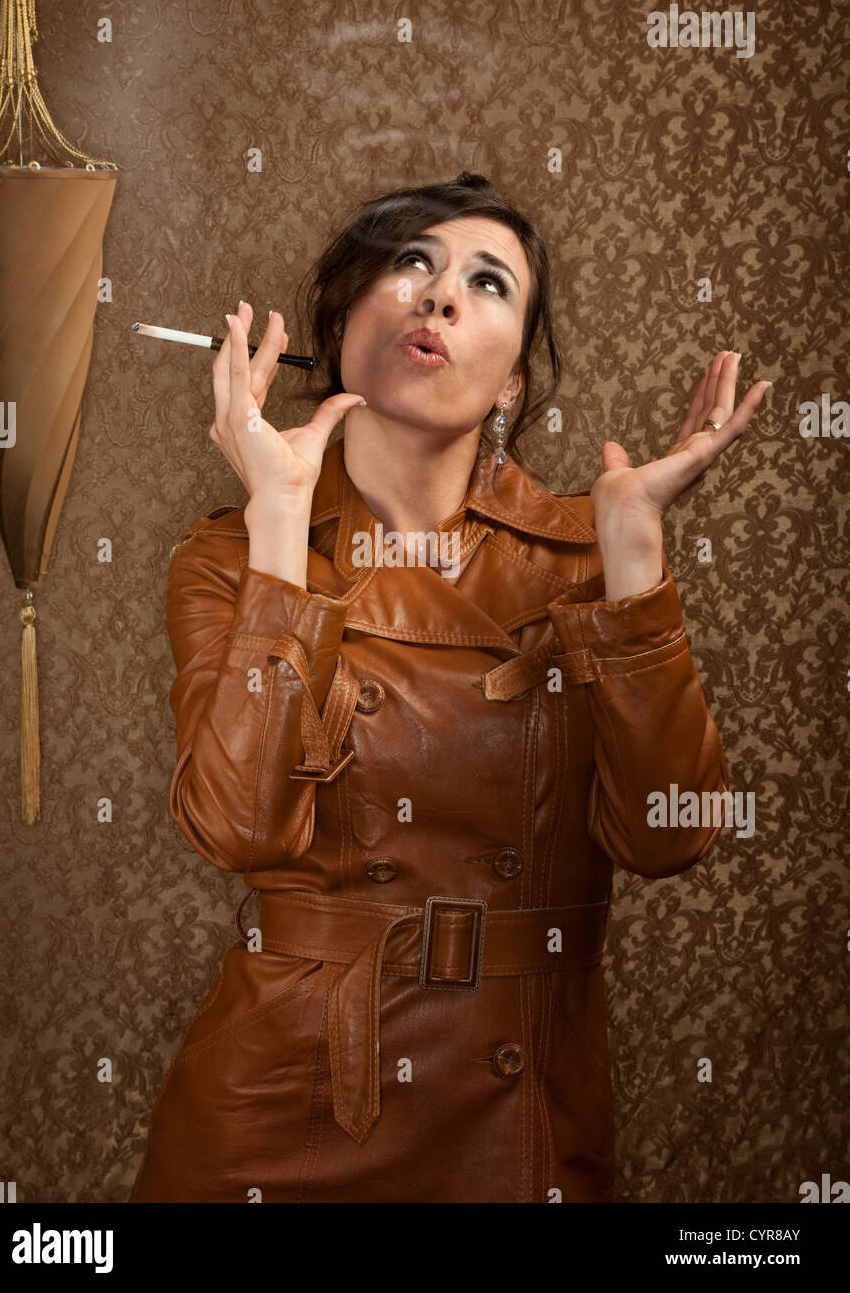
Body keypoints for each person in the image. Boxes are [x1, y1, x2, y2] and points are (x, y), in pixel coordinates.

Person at [130, 171, 770, 1203]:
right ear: (341, 325)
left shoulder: (585, 560)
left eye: (488, 283)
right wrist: (282, 522)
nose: (439, 296)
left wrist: (634, 553)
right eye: (410, 265)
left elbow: (670, 836)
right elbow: (239, 828)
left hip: (518, 1115)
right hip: (279, 1111)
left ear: (513, 381)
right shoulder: (232, 556)